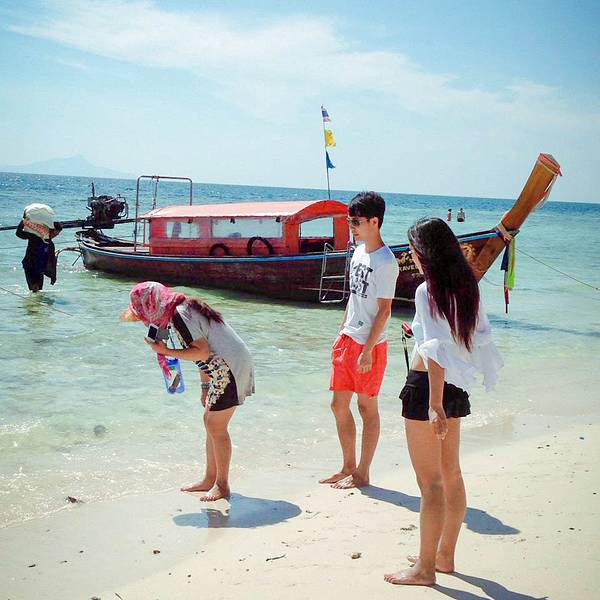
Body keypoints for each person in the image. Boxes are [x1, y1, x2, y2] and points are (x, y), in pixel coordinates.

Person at [384, 218, 502, 586]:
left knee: (430, 483)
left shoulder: (427, 290)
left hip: (428, 389)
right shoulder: (468, 287)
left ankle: (425, 568)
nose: (411, 257)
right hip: (456, 388)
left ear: (425, 253)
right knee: (451, 474)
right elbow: (477, 339)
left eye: (413, 251)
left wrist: (434, 404)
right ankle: (444, 555)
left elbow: (435, 350)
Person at [121, 281, 255, 502]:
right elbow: (205, 350)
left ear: (152, 305)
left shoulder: (180, 315)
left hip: (230, 368)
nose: (145, 319)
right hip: (223, 367)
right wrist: (205, 386)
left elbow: (201, 352)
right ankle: (210, 479)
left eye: (143, 312)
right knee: (209, 422)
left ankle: (222, 485)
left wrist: (165, 350)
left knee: (216, 425)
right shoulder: (179, 310)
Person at [320, 191, 400, 489]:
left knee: (367, 409)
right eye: (349, 220)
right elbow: (354, 297)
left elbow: (385, 310)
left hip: (371, 345)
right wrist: (341, 331)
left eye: (355, 221)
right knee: (338, 405)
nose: (351, 226)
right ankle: (348, 466)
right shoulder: (357, 253)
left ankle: (363, 473)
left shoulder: (386, 261)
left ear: (374, 221)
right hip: (348, 339)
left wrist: (367, 350)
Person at [15, 215, 62, 292]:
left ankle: (33, 300)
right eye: (54, 234)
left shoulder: (50, 245)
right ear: (50, 230)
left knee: (38, 290)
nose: (54, 236)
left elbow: (52, 260)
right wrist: (23, 222)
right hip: (30, 266)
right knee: (34, 289)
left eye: (56, 235)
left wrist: (53, 276)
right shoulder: (35, 236)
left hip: (40, 269)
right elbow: (19, 233)